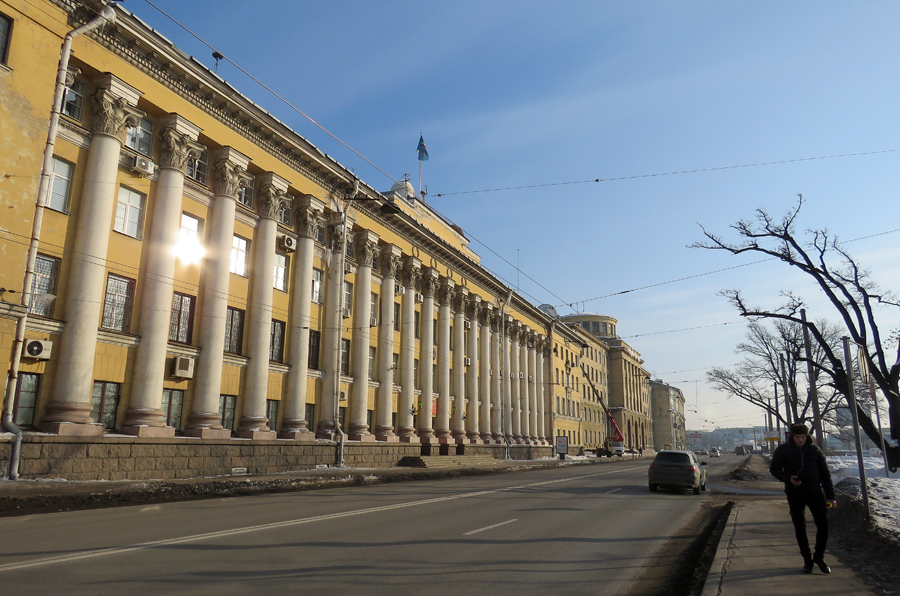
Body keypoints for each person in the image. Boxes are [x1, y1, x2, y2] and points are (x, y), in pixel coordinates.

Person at [770, 423, 837, 574]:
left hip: (815, 492)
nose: (800, 440)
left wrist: (831, 496)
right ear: (792, 437)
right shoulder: (783, 450)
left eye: (803, 437)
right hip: (795, 493)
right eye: (797, 437)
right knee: (800, 527)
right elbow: (774, 469)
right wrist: (788, 478)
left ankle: (819, 557)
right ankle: (807, 560)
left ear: (807, 437)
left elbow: (825, 475)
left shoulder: (815, 451)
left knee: (824, 525)